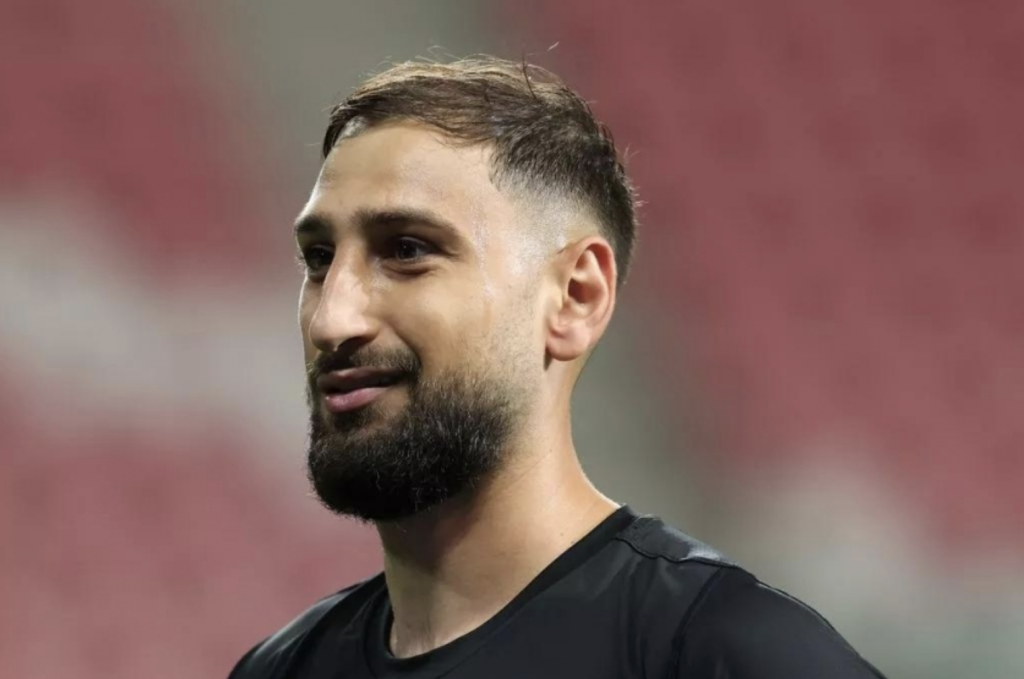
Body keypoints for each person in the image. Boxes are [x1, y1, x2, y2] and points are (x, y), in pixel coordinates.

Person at [228, 56, 886, 679]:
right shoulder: (280, 669)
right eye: (319, 259)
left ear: (576, 296)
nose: (331, 320)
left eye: (406, 250)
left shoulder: (726, 652)